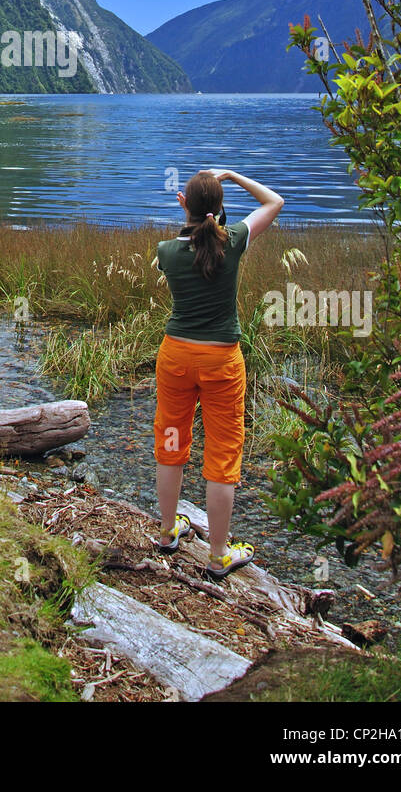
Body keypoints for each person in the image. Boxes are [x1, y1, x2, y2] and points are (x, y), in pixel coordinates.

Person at [153, 168, 284, 578]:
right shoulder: (234, 242)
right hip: (221, 364)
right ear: (220, 211)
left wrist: (201, 215)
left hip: (175, 359)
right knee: (222, 453)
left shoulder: (165, 251)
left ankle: (167, 531)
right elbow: (274, 203)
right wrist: (234, 176)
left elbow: (189, 240)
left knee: (172, 438)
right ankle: (217, 556)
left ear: (183, 205)